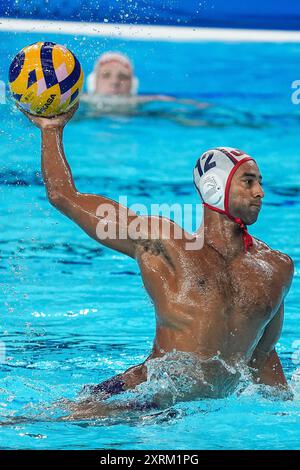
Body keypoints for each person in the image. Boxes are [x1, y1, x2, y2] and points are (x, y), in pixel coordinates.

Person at [21, 104, 294, 420]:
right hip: (146, 395)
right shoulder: (164, 242)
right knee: (42, 421)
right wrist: (51, 129)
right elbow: (63, 196)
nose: (260, 192)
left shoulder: (276, 268)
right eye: (248, 182)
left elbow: (262, 354)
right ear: (215, 187)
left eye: (260, 182)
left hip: (194, 412)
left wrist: (285, 413)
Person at [80, 51, 209, 117]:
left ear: (133, 85)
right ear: (93, 83)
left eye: (123, 77)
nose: (114, 82)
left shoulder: (143, 101)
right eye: (106, 75)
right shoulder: (78, 101)